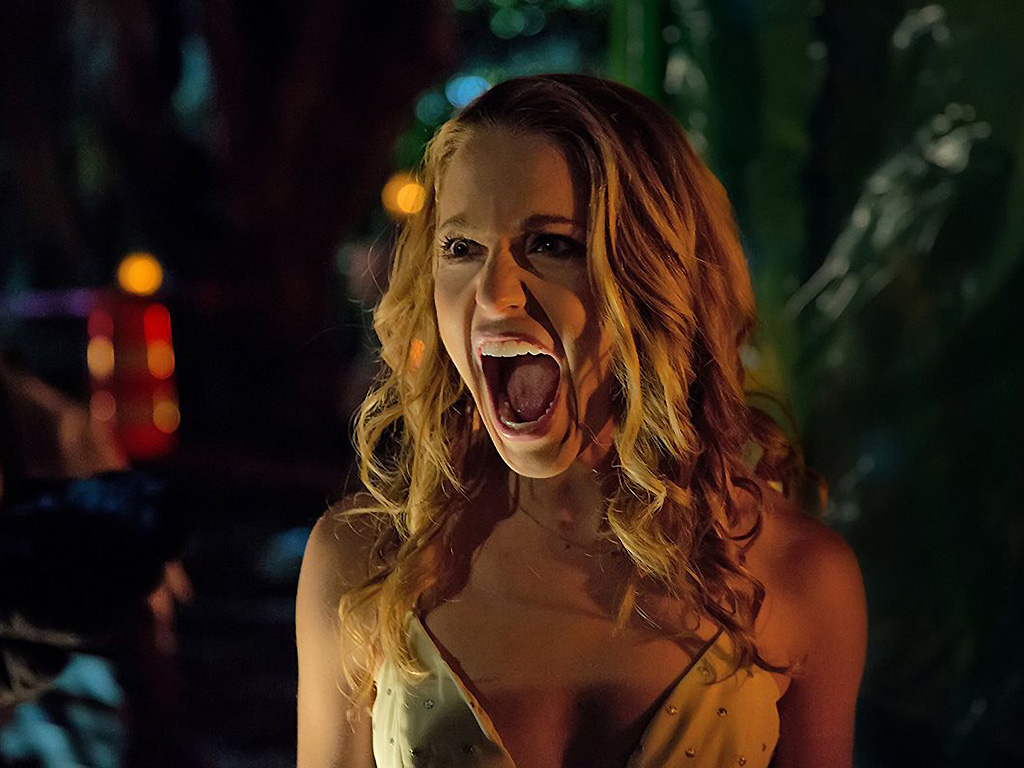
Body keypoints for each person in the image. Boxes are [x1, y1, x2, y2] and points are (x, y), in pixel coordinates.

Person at [296, 74, 867, 768]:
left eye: (552, 245)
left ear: (655, 277)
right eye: (461, 247)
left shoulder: (799, 578)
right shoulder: (364, 564)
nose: (494, 296)